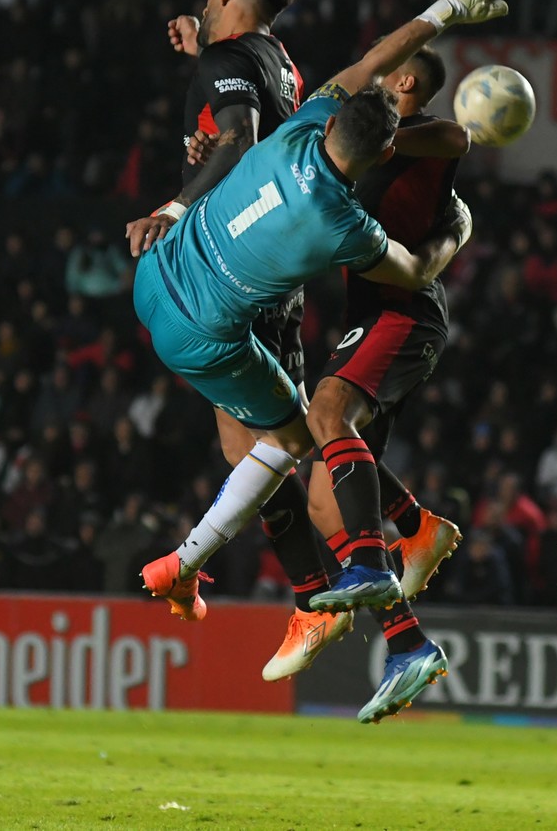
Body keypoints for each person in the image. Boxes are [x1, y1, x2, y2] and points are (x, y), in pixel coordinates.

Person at [132, 0, 507, 719]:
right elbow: (402, 254)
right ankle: (391, 568)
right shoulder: (299, 111)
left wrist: (442, 7)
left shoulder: (312, 121)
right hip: (249, 294)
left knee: (295, 453)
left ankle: (330, 594)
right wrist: (454, 237)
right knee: (299, 449)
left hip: (208, 303)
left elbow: (276, 112)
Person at [192, 45, 470, 713]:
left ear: (402, 82)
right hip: (369, 318)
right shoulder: (365, 153)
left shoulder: (430, 139)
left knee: (325, 413)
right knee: (325, 501)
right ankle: (409, 642)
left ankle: (388, 552)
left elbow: (455, 138)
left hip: (405, 317)